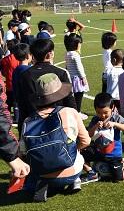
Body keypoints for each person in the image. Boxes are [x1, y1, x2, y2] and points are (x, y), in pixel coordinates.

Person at [20, 73, 90, 202]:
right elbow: (86, 141)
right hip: (71, 169)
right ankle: (75, 180)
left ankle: (43, 183)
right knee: (76, 151)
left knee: (42, 167)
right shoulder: (70, 112)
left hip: (41, 172)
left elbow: (23, 153)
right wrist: (74, 149)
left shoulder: (28, 120)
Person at [14, 38, 78, 132]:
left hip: (34, 126)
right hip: (59, 125)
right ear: (50, 54)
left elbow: (22, 104)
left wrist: (22, 130)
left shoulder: (25, 75)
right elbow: (70, 103)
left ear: (33, 55)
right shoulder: (61, 73)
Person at [82, 92, 124, 183]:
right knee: (80, 155)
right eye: (98, 112)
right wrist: (95, 126)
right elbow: (89, 134)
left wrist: (115, 124)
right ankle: (92, 173)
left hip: (113, 154)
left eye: (105, 112)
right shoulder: (96, 119)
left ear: (112, 108)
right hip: (98, 151)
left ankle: (120, 164)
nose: (102, 115)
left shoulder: (116, 118)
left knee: (118, 179)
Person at [64, 33, 89, 113]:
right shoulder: (75, 55)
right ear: (75, 44)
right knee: (79, 97)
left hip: (71, 78)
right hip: (77, 79)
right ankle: (78, 112)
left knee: (73, 97)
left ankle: (74, 111)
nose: (80, 45)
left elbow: (67, 66)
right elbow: (79, 67)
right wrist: (84, 78)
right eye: (79, 43)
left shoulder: (67, 54)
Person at [11, 43, 31, 125]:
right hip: (28, 102)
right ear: (27, 56)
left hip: (19, 100)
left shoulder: (16, 70)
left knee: (22, 122)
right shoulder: (29, 70)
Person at [1, 40, 20, 116]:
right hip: (17, 85)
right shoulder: (19, 59)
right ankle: (16, 117)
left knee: (8, 102)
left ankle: (7, 116)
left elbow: (3, 73)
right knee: (16, 102)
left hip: (8, 84)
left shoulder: (4, 60)